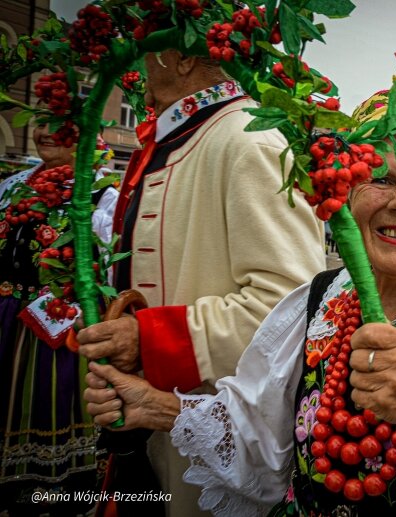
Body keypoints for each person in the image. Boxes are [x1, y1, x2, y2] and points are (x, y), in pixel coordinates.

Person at [83, 89, 396, 515]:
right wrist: (154, 405)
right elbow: (257, 432)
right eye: (381, 178)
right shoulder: (318, 300)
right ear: (345, 196)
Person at [76, 50, 325, 516]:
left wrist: (146, 340)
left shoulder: (247, 139)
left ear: (181, 58)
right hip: (152, 426)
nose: (137, 57)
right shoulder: (189, 136)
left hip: (212, 442)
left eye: (150, 46)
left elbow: (289, 309)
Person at [0, 125, 118, 515]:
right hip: (4, 323)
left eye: (60, 124)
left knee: (49, 409)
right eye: (40, 123)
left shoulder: (99, 195)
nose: (45, 133)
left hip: (57, 334)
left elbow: (107, 274)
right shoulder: (14, 186)